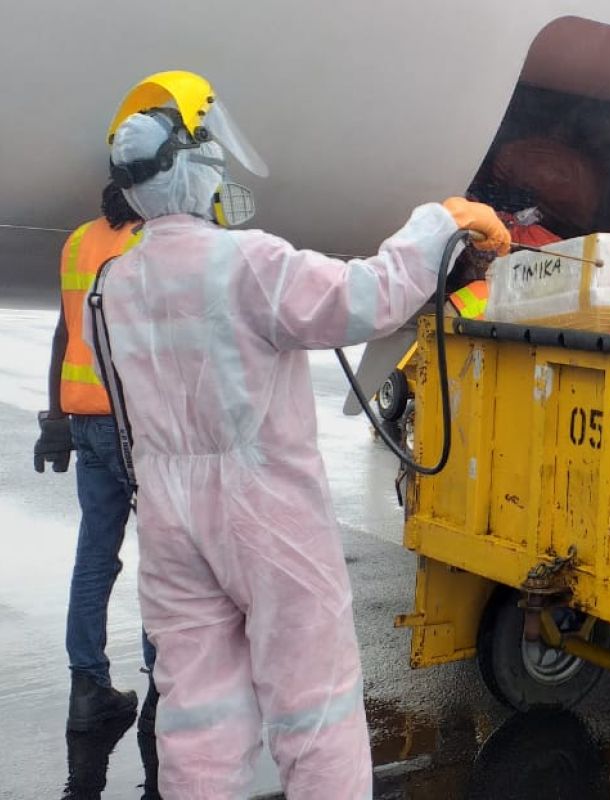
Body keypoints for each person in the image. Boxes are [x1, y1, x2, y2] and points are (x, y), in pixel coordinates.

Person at [95, 71, 510, 799]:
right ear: (193, 168)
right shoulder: (245, 261)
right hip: (264, 514)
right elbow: (364, 299)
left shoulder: (114, 282)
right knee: (312, 702)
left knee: (196, 707)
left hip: (167, 511)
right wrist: (440, 222)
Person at [34, 182, 157, 732]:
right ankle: (167, 685)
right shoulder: (148, 244)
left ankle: (88, 688)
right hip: (132, 424)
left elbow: (65, 330)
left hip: (82, 416)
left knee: (95, 554)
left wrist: (55, 419)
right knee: (165, 554)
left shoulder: (79, 241)